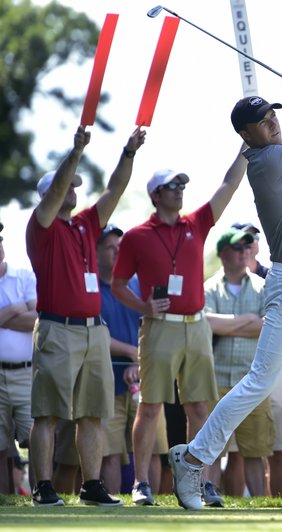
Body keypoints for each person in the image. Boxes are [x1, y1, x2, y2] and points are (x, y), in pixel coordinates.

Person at [169, 89, 282, 512]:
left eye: (273, 116)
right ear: (246, 136)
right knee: (260, 381)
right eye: (263, 121)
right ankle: (192, 458)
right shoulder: (267, 161)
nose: (273, 123)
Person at [112, 147, 248, 507]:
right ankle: (142, 483)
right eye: (172, 185)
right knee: (151, 407)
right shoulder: (137, 236)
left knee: (201, 407)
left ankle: (201, 483)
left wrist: (245, 150)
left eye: (182, 185)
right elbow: (118, 284)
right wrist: (143, 306)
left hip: (198, 325)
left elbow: (228, 185)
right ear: (156, 194)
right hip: (159, 328)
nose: (179, 190)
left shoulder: (196, 223)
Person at [26, 125, 146, 506]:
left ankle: (91, 486)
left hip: (94, 331)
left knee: (92, 414)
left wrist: (128, 152)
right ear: (51, 193)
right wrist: (75, 152)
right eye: (68, 186)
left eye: (77, 186)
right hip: (56, 328)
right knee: (47, 414)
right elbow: (57, 190)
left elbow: (115, 189)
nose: (74, 191)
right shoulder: (41, 226)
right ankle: (43, 487)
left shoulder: (85, 224)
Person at [96, 224, 168, 496]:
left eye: (119, 247)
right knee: (111, 453)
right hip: (107, 382)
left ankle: (154, 509)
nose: (116, 252)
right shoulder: (88, 287)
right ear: (95, 250)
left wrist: (138, 363)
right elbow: (95, 334)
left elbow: (153, 327)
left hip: (145, 379)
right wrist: (131, 354)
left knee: (153, 451)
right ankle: (115, 512)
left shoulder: (137, 284)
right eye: (109, 247)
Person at [203, 228, 274, 500]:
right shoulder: (208, 287)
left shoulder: (263, 285)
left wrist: (227, 324)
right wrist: (248, 319)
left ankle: (260, 503)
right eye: (237, 247)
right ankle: (209, 496)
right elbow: (206, 323)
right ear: (222, 253)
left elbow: (268, 325)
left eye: (248, 247)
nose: (245, 251)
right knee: (210, 449)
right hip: (214, 379)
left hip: (252, 381)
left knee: (256, 450)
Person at [0, 222, 37, 494]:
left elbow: (37, 318)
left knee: (35, 439)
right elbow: (25, 313)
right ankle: (4, 500)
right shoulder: (20, 290)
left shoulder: (24, 275)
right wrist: (14, 308)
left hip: (26, 372)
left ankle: (40, 494)